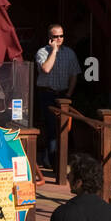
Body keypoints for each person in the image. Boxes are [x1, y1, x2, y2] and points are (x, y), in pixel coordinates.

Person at [34, 23, 79, 169]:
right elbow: (46, 69)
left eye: (61, 36)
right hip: (47, 93)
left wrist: (69, 94)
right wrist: (53, 50)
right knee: (51, 127)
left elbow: (74, 74)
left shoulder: (70, 53)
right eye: (55, 36)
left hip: (63, 94)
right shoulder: (42, 52)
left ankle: (51, 158)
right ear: (50, 38)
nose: (59, 39)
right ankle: (54, 163)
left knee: (64, 128)